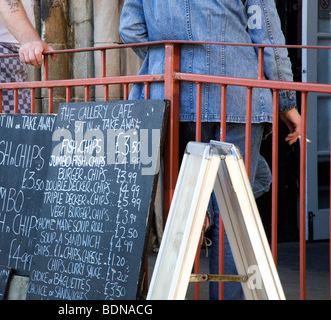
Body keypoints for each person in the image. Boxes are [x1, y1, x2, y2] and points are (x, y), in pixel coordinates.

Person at [119, 0, 301, 300]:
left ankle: (175, 281)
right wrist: (287, 103)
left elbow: (131, 29)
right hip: (236, 95)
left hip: (174, 97)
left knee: (183, 203)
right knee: (234, 207)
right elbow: (266, 33)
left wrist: (168, 60)